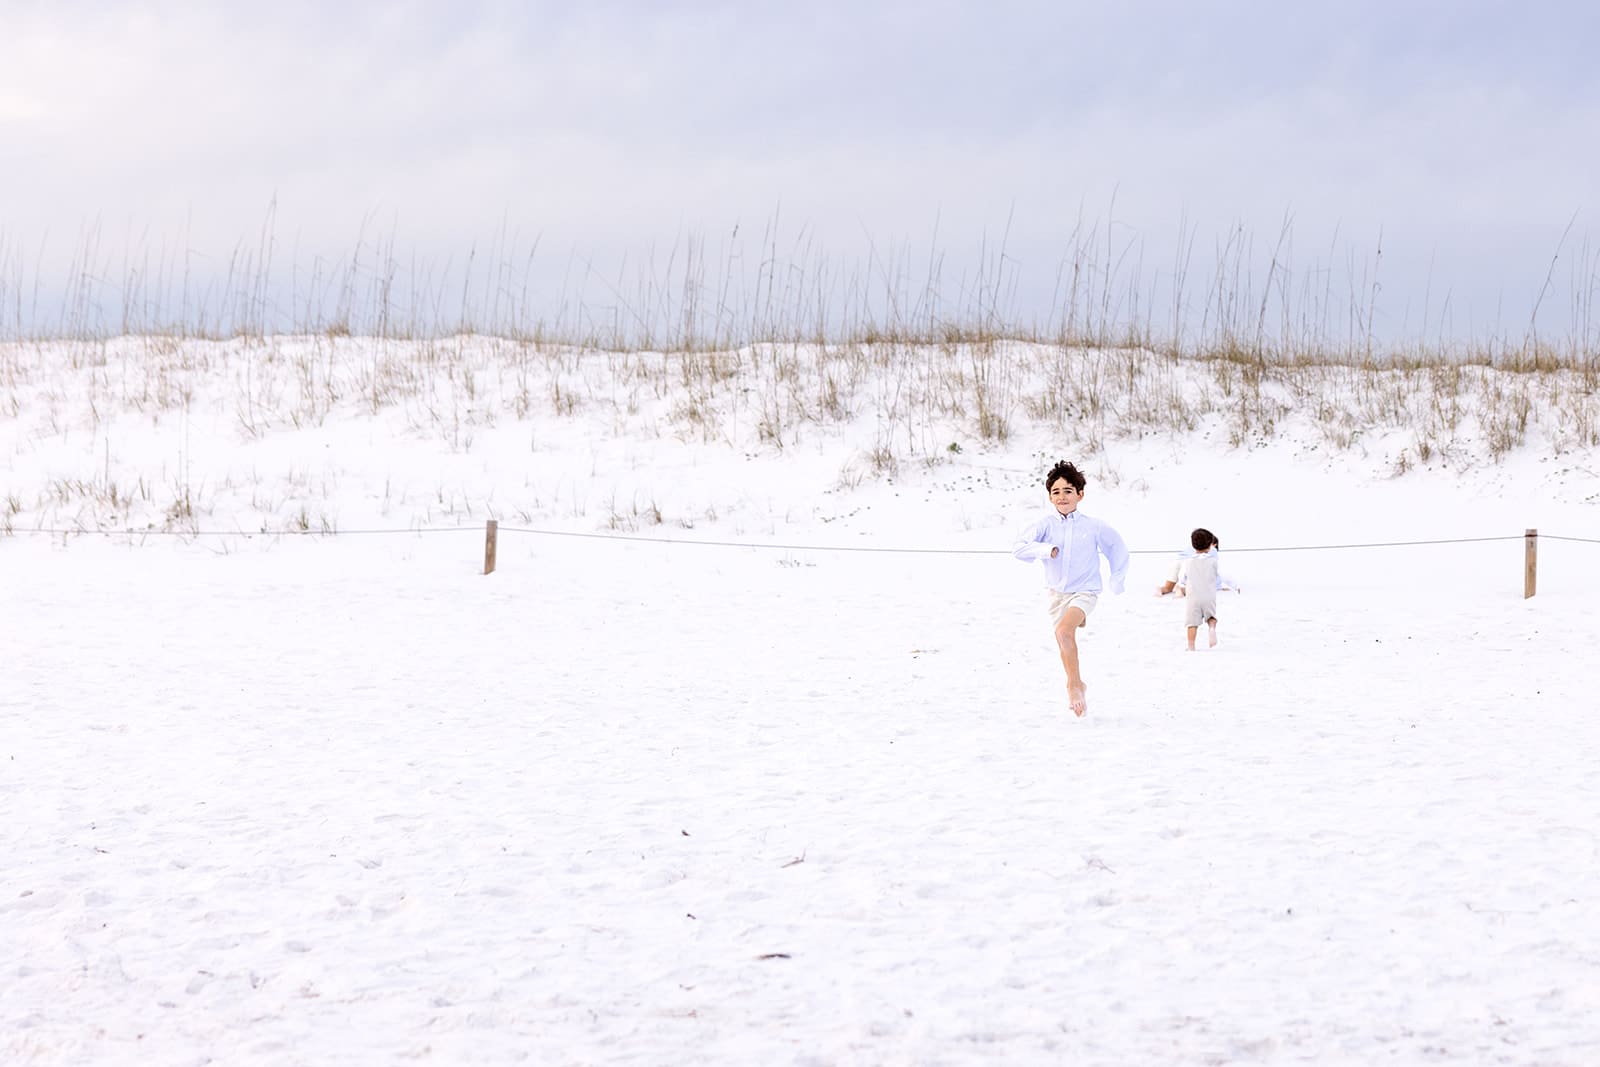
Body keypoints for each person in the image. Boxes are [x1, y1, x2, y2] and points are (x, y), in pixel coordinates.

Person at [1013, 460, 1129, 716]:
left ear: (1080, 494)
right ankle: (1076, 682)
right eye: (1056, 491)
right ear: (1050, 496)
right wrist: (1045, 550)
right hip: (1057, 594)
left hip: (1085, 591)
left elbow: (1117, 548)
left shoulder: (1094, 526)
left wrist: (1116, 580)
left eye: (1068, 490)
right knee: (1063, 637)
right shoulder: (1044, 525)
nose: (1062, 496)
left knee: (1065, 631)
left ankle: (1073, 686)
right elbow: (1019, 548)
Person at [1182, 528, 1221, 650]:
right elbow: (1225, 576)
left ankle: (1191, 646)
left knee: (1192, 623)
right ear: (1210, 545)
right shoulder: (1213, 561)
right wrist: (1235, 587)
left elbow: (1182, 578)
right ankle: (1212, 629)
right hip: (1208, 596)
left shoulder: (1188, 562)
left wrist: (1182, 585)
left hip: (1193, 597)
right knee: (1211, 617)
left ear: (1193, 545)